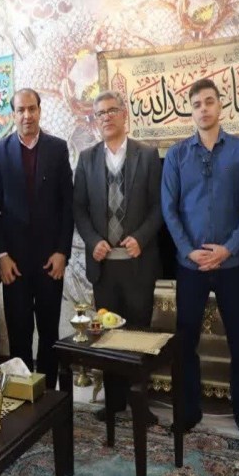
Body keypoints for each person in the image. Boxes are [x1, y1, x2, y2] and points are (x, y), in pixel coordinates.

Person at [161, 78, 239, 444]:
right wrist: (189, 250)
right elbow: (169, 209)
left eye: (209, 101)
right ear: (190, 111)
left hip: (231, 265)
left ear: (220, 105)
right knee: (186, 341)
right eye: (197, 104)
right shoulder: (177, 155)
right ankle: (189, 411)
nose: (203, 108)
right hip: (190, 267)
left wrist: (228, 249)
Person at [73, 90, 163, 422]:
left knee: (138, 336)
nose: (107, 117)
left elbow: (159, 206)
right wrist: (92, 239)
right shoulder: (86, 159)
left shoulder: (148, 155)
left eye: (112, 110)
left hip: (138, 265)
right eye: (100, 113)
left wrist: (141, 237)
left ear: (125, 115)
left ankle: (140, 405)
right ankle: (112, 403)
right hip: (104, 268)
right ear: (95, 121)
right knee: (108, 337)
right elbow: (79, 209)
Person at [0, 88, 73, 389]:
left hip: (51, 263)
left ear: (39, 111)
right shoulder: (1, 150)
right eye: (20, 110)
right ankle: (23, 398)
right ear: (13, 114)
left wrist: (62, 252)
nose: (27, 115)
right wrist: (1, 255)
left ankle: (48, 398)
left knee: (49, 334)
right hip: (15, 265)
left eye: (32, 109)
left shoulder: (57, 149)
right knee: (19, 334)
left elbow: (68, 204)